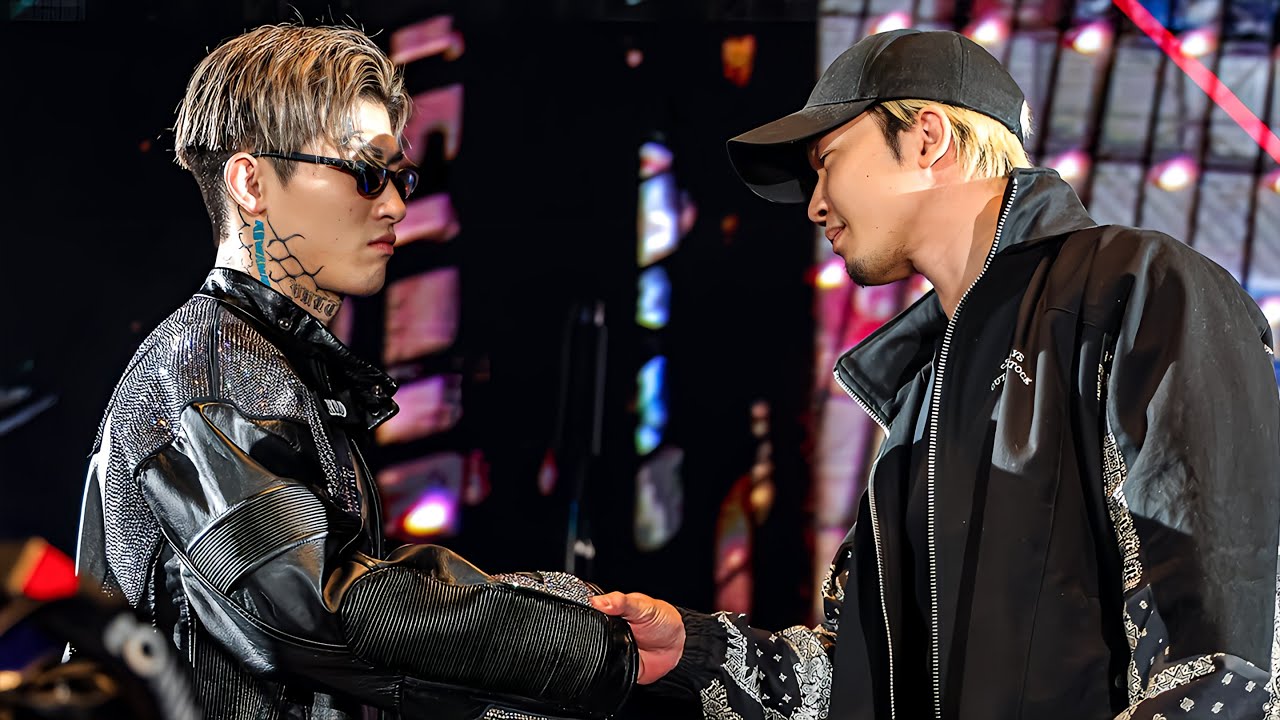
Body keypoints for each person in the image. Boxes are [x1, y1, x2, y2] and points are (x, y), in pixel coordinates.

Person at [591, 28, 1280, 719]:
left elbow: (1223, 658)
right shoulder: (919, 396)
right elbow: (858, 677)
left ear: (927, 137)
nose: (816, 204)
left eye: (827, 161)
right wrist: (697, 651)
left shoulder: (1136, 289)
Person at [72, 23, 636, 720]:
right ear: (251, 182)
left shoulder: (268, 363)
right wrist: (599, 645)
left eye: (399, 176)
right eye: (366, 172)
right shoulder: (208, 369)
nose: (395, 204)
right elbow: (325, 608)